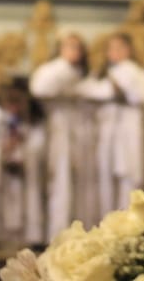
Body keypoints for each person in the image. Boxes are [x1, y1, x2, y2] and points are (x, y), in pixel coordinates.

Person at [76, 33, 144, 216]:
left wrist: (119, 90)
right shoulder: (101, 73)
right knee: (105, 179)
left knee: (128, 179)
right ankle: (107, 221)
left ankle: (128, 222)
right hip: (107, 132)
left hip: (128, 132)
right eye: (112, 48)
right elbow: (87, 90)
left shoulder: (136, 72)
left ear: (129, 50)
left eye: (120, 48)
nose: (115, 52)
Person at [29, 30, 97, 237]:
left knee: (84, 188)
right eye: (68, 46)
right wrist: (65, 69)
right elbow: (39, 88)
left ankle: (83, 233)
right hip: (59, 132)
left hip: (83, 136)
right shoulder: (54, 70)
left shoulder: (86, 75)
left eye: (77, 47)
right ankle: (57, 235)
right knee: (60, 183)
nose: (73, 51)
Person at [0, 77, 48, 248]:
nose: (15, 106)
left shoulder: (36, 120)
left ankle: (33, 235)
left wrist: (23, 152)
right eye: (11, 100)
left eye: (19, 101)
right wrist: (5, 150)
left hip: (26, 172)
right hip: (0, 170)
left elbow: (40, 147)